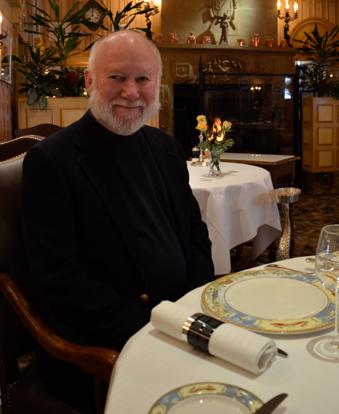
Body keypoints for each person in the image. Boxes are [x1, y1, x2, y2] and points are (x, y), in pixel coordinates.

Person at [20, 30, 214, 413]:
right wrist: (156, 330)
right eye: (117, 77)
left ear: (158, 83)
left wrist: (193, 309)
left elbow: (195, 233)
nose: (131, 92)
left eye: (143, 78)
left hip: (181, 323)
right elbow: (60, 281)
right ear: (91, 81)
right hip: (106, 346)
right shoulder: (51, 162)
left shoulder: (166, 147)